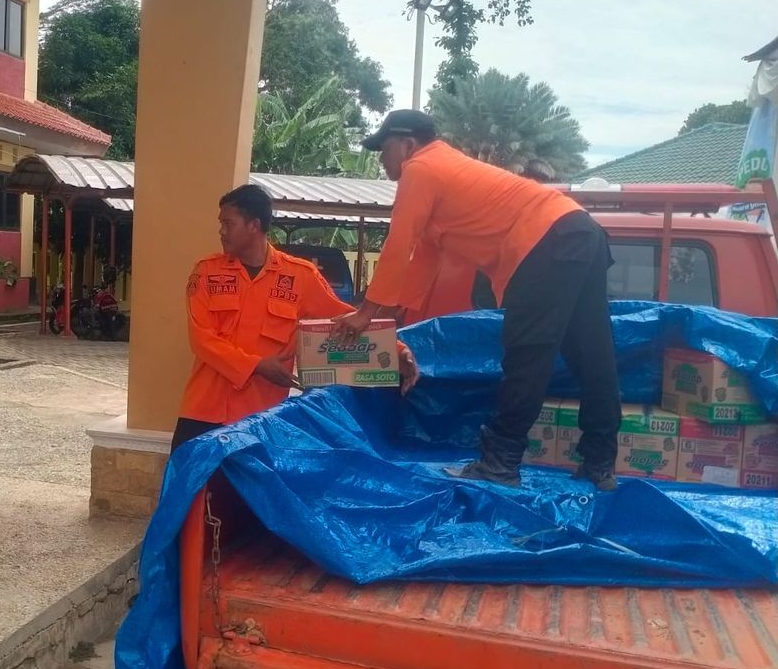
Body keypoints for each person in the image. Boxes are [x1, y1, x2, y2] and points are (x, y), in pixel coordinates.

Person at [334, 110, 621, 491]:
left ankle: (499, 462)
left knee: (527, 357)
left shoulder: (420, 168)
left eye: (383, 149)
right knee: (591, 352)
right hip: (581, 230)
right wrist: (392, 320)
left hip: (543, 243)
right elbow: (421, 259)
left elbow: (398, 243)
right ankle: (600, 464)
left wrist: (365, 313)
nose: (381, 158)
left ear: (407, 144)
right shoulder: (446, 172)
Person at [172, 184, 419, 451]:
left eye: (228, 223)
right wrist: (256, 366)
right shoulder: (207, 273)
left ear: (254, 225)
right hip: (203, 410)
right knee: (189, 488)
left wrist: (398, 351)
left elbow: (346, 318)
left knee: (249, 493)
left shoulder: (299, 276)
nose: (221, 230)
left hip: (261, 415)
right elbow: (201, 340)